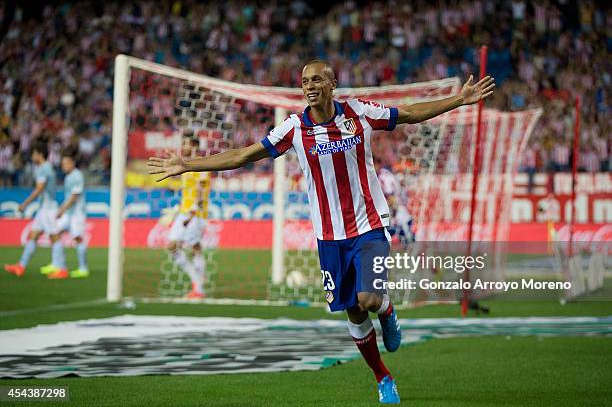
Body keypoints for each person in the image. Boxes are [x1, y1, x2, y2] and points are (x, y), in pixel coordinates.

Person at [148, 60, 494, 404]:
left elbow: (407, 114)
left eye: (316, 80)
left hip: (369, 225)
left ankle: (386, 308)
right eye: (304, 81)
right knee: (355, 312)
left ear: (333, 83)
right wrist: (187, 165)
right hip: (330, 237)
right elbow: (243, 155)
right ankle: (383, 377)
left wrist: (458, 100)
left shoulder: (359, 113)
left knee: (368, 300)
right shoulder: (294, 129)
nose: (309, 86)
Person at [4, 141, 66, 278]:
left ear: (38, 154)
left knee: (54, 237)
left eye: (33, 153)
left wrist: (25, 204)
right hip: (44, 208)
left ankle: (61, 268)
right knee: (33, 235)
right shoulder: (47, 167)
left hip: (48, 209)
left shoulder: (43, 169)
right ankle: (21, 266)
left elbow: (39, 189)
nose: (32, 156)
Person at [167, 135, 210, 299]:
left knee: (193, 248)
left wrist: (191, 213)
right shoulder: (186, 165)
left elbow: (200, 190)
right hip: (185, 212)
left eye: (185, 143)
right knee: (177, 246)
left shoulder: (201, 164)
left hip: (195, 214)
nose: (182, 146)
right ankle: (199, 281)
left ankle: (198, 287)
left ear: (193, 145)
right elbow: (185, 189)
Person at [39, 149, 89, 278]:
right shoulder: (68, 177)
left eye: (66, 163)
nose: (63, 166)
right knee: (54, 232)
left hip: (77, 213)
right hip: (69, 213)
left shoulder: (77, 175)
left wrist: (61, 209)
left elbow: (74, 196)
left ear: (72, 163)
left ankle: (83, 268)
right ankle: (58, 265)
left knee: (78, 238)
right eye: (62, 164)